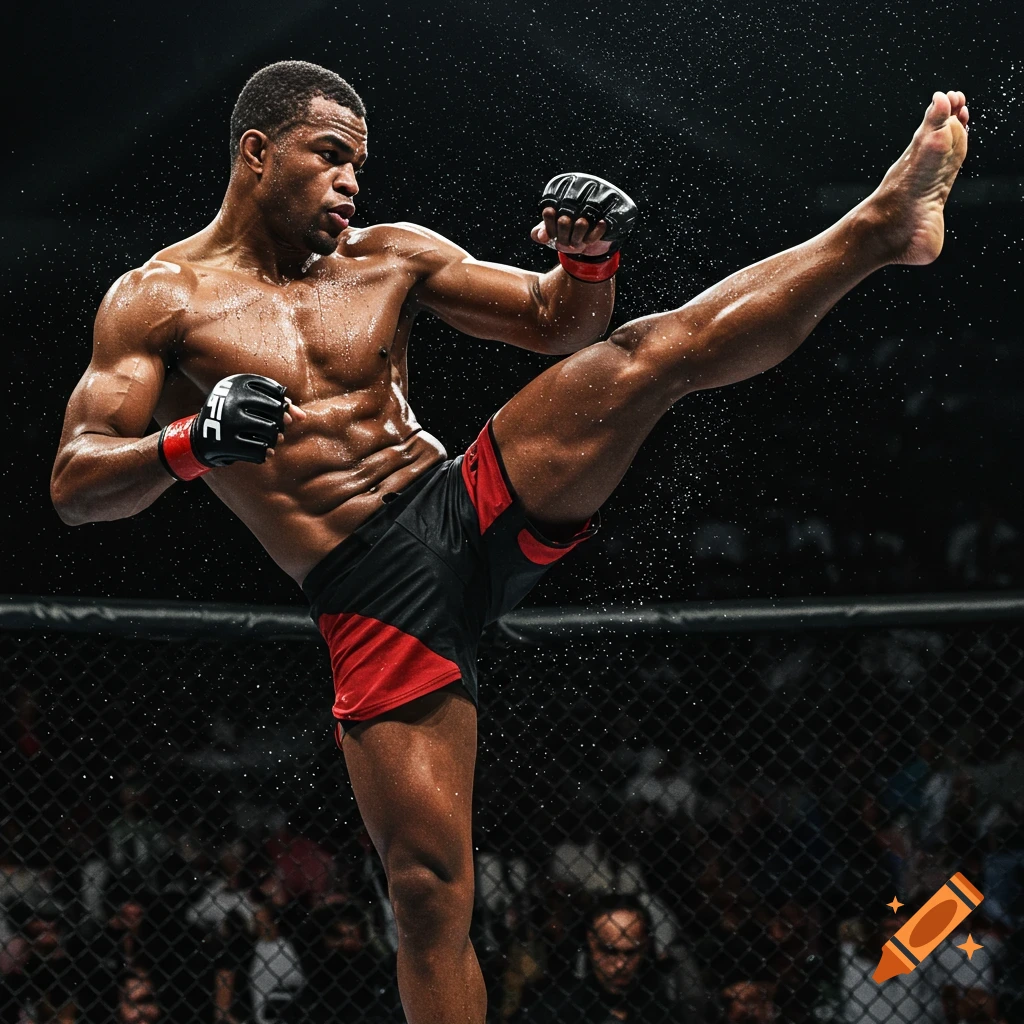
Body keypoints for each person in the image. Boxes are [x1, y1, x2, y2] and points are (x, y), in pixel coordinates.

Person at [50, 55, 970, 1024]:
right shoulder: (158, 299)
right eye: (329, 157)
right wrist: (188, 442)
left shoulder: (390, 254)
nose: (351, 183)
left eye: (358, 164)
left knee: (647, 353)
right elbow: (75, 484)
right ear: (256, 151)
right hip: (367, 593)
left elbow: (556, 323)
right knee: (427, 895)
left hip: (458, 504)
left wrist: (587, 263)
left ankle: (881, 227)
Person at [518, 895, 677, 1023]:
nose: (620, 965)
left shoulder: (663, 1013)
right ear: (591, 942)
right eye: (609, 951)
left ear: (645, 946)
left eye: (631, 952)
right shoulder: (554, 1010)